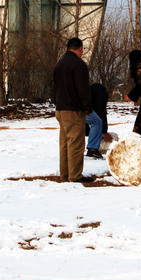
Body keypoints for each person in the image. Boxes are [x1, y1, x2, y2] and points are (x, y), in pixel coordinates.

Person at [53, 37, 91, 182]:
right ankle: (75, 176)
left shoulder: (59, 64)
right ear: (80, 48)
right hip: (73, 110)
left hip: (60, 109)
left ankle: (65, 175)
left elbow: (55, 87)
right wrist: (87, 106)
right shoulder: (78, 65)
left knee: (64, 144)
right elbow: (83, 88)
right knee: (76, 143)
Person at [85, 82, 109, 158]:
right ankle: (92, 148)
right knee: (97, 122)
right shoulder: (101, 94)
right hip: (83, 107)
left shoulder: (90, 91)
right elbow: (101, 111)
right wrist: (104, 131)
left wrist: (87, 131)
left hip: (67, 107)